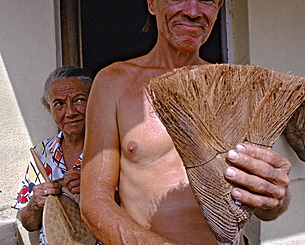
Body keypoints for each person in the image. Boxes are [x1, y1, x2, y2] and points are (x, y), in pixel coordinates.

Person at [81, 0, 291, 244]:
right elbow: (94, 202)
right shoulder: (115, 83)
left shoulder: (233, 87)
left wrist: (275, 198)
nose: (193, 12)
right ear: (151, 3)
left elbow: (262, 198)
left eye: (207, 1)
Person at [12, 66, 93, 245]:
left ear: (95, 101)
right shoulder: (42, 152)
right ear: (49, 108)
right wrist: (35, 203)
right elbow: (29, 224)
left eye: (79, 100)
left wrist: (94, 188)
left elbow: (138, 212)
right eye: (59, 104)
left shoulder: (111, 149)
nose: (70, 112)